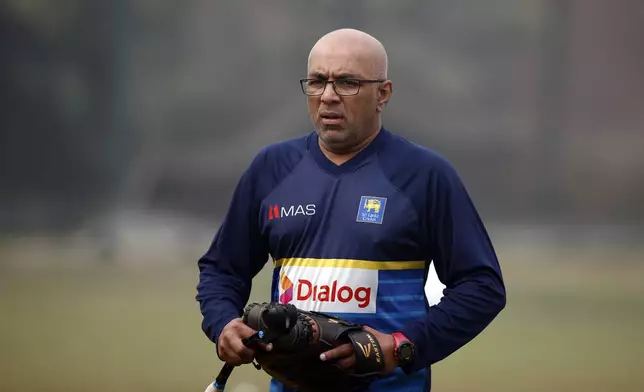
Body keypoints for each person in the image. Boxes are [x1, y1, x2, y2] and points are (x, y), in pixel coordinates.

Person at [196, 28, 506, 391]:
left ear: (383, 94)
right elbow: (222, 269)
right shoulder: (271, 168)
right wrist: (223, 325)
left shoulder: (425, 175)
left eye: (347, 83)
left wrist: (402, 346)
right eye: (317, 82)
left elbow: (482, 287)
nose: (328, 96)